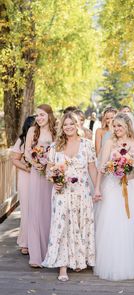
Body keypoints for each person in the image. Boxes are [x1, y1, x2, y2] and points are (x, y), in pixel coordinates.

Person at [94, 112, 134, 281]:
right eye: (115, 126)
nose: (117, 129)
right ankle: (112, 263)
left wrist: (127, 176)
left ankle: (132, 262)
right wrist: (97, 188)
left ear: (127, 127)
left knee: (131, 223)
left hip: (131, 187)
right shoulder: (110, 142)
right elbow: (102, 167)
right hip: (112, 187)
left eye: (120, 126)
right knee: (112, 223)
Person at [42, 112, 97, 281]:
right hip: (61, 192)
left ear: (77, 125)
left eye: (71, 124)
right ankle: (63, 266)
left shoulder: (87, 145)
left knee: (80, 224)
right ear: (62, 127)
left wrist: (98, 189)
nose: (68, 127)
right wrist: (54, 181)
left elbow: (92, 169)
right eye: (65, 125)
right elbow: (48, 170)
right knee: (62, 225)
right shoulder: (54, 147)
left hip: (82, 192)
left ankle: (79, 260)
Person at [25, 104, 56, 267]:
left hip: (51, 175)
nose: (39, 118)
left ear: (49, 115)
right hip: (37, 174)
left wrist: (49, 165)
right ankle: (36, 255)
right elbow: (27, 152)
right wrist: (36, 163)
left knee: (49, 211)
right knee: (36, 211)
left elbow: (58, 151)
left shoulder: (55, 131)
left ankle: (50, 252)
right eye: (37, 115)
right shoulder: (32, 131)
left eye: (42, 114)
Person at [11, 116, 35, 255]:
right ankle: (25, 241)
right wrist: (27, 168)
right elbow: (14, 159)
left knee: (39, 208)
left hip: (40, 177)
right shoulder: (22, 141)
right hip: (26, 177)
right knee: (27, 209)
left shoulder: (42, 140)